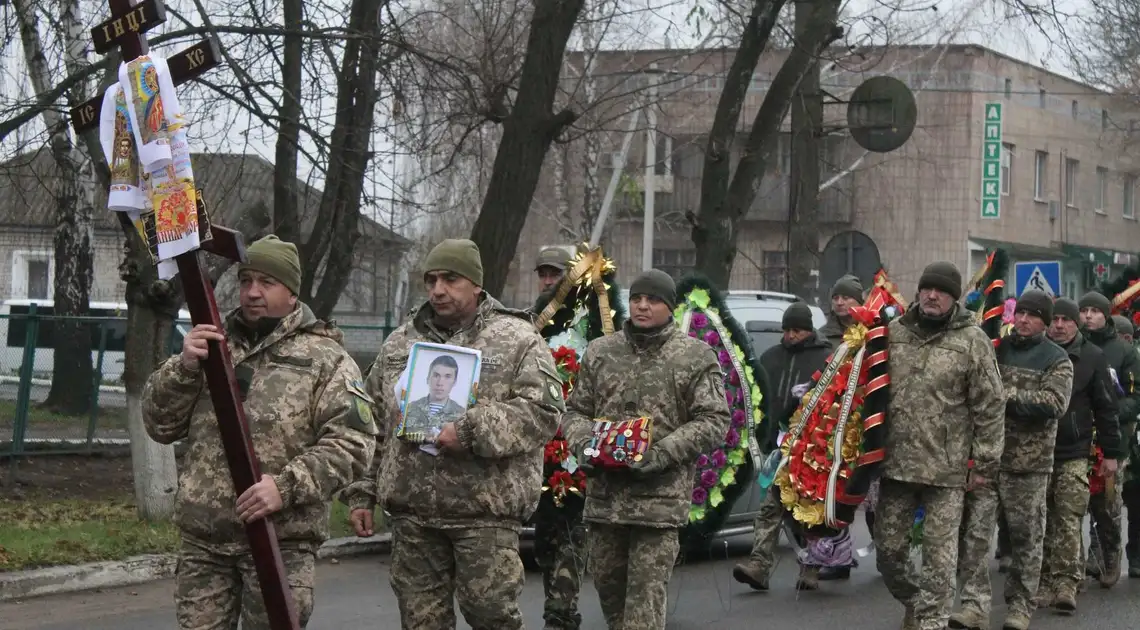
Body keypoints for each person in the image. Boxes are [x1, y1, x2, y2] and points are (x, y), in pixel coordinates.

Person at [142, 235, 377, 629]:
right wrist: (183, 368)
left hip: (279, 542)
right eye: (246, 280)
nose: (252, 292)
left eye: (267, 283)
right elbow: (159, 425)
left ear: (292, 292)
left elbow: (353, 445)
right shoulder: (212, 344)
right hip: (207, 541)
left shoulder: (326, 358)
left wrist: (284, 487)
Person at [342, 238, 564, 630]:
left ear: (477, 284)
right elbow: (372, 421)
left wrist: (470, 430)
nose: (438, 290)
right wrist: (363, 492)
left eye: (450, 279)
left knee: (492, 618)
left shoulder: (517, 339)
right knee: (420, 622)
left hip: (484, 515)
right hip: (414, 517)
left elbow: (543, 411)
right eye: (431, 280)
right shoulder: (402, 342)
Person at [563, 269, 731, 630]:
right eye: (637, 298)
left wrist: (661, 453)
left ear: (669, 307)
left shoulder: (694, 356)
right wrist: (585, 446)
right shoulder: (601, 351)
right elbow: (576, 411)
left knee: (643, 614)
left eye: (652, 300)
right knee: (613, 606)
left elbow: (715, 420)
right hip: (605, 503)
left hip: (658, 506)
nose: (642, 305)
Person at [875, 261, 1005, 630]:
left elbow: (991, 406)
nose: (933, 296)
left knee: (939, 559)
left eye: (942, 291)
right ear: (918, 292)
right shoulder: (892, 333)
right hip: (896, 466)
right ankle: (917, 603)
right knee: (888, 552)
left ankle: (932, 620)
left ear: (954, 298)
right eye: (927, 289)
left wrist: (984, 465)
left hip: (947, 471)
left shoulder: (972, 340)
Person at [955, 290, 1073, 630]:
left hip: (1029, 466)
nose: (1023, 320)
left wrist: (1004, 396)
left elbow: (1053, 404)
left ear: (1045, 322)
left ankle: (1020, 606)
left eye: (1033, 315)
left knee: (1026, 540)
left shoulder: (1056, 359)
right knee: (975, 536)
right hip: (988, 461)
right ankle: (974, 606)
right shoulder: (997, 348)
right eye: (1020, 313)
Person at [732, 302, 833, 591]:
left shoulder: (826, 359)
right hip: (778, 449)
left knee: (807, 512)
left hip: (812, 450)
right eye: (787, 330)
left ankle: (810, 567)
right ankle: (759, 565)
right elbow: (756, 396)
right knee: (769, 507)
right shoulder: (770, 357)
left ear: (809, 330)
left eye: (797, 330)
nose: (790, 336)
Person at [1037, 297, 1120, 613]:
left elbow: (1106, 408)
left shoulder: (1092, 357)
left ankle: (1066, 584)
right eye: (1054, 319)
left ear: (1076, 323)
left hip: (1074, 450)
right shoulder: (1038, 351)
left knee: (1068, 517)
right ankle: (1043, 580)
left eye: (1066, 320)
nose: (1059, 326)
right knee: (1040, 520)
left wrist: (1111, 454)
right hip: (1038, 454)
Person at [530, 245, 589, 630]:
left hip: (577, 443)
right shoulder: (530, 324)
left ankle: (561, 610)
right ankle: (557, 600)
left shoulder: (590, 320)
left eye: (556, 274)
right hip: (540, 445)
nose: (549, 281)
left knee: (571, 531)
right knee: (546, 538)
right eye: (544, 274)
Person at [1078, 291, 1140, 586]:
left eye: (1094, 311)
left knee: (1107, 504)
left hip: (1112, 439)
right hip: (1077, 437)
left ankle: (1110, 555)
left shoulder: (1124, 351)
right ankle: (1082, 561)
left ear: (1106, 315)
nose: (1088, 315)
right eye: (1084, 310)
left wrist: (1110, 410)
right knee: (1073, 503)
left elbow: (1135, 396)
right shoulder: (1072, 345)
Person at [401, 355, 466, 437]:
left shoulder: (462, 415)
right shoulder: (409, 408)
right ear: (428, 378)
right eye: (436, 375)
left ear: (454, 382)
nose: (440, 383)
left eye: (447, 377)